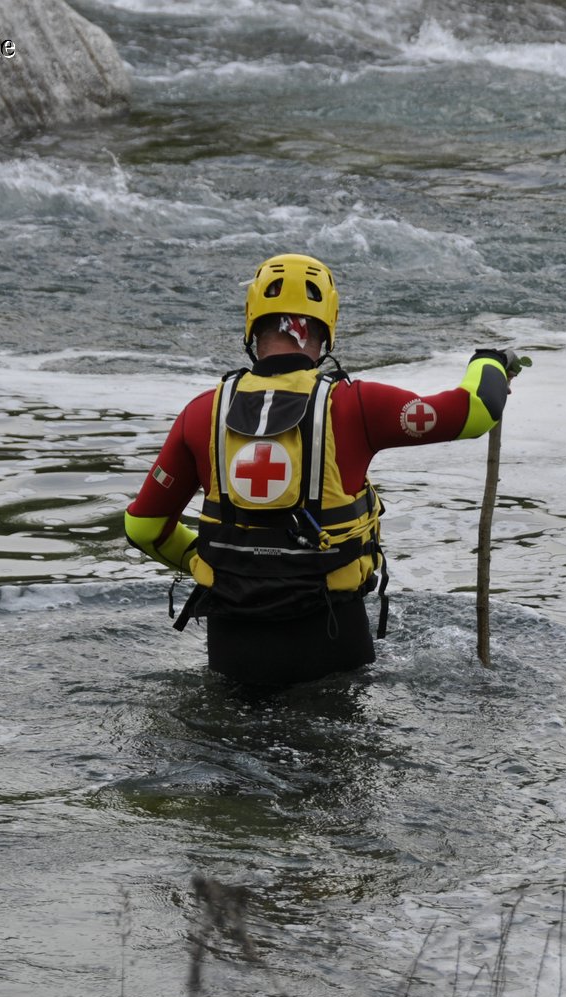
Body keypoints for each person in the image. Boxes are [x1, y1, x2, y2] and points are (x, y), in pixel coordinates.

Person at [124, 252, 520, 685]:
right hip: (332, 643)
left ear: (252, 324)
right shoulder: (356, 405)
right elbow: (476, 410)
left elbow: (144, 528)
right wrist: (491, 362)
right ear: (326, 327)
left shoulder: (202, 413)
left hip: (233, 648)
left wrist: (214, 564)